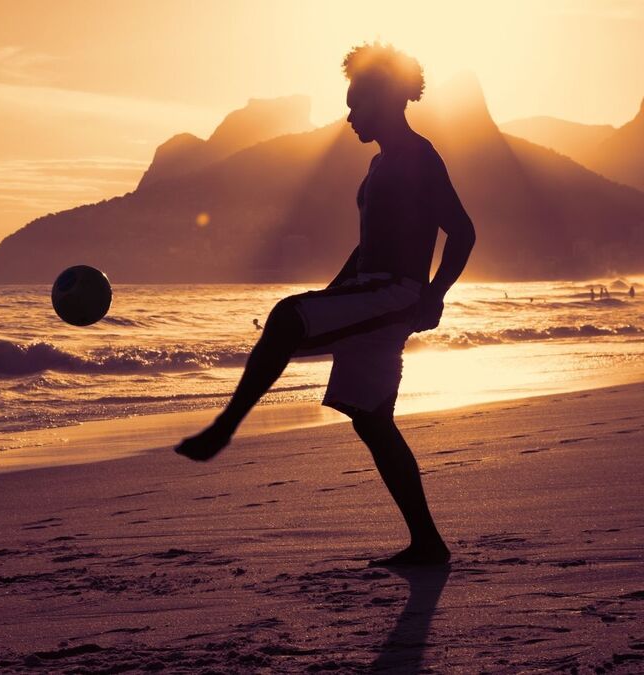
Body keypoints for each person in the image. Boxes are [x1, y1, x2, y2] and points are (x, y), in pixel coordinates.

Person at [175, 43, 475, 567]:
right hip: (373, 292)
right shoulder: (382, 163)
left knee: (287, 318)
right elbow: (366, 247)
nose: (350, 114)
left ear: (383, 100)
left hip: (393, 294)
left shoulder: (417, 157)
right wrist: (334, 293)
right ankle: (428, 543)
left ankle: (223, 430)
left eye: (357, 103)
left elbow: (463, 232)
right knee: (373, 420)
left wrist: (434, 295)